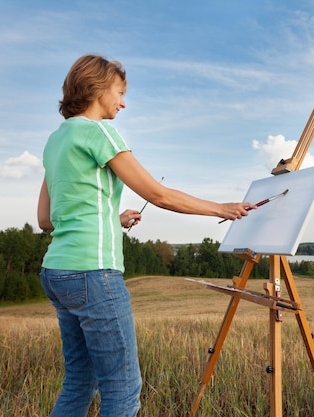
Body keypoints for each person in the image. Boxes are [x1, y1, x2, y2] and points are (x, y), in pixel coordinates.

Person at [37, 54, 256, 417]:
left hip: (57, 272)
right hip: (94, 273)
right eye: (119, 92)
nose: (123, 102)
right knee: (122, 390)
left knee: (79, 381)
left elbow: (46, 219)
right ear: (97, 88)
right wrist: (222, 208)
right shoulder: (99, 132)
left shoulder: (55, 141)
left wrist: (113, 216)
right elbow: (158, 195)